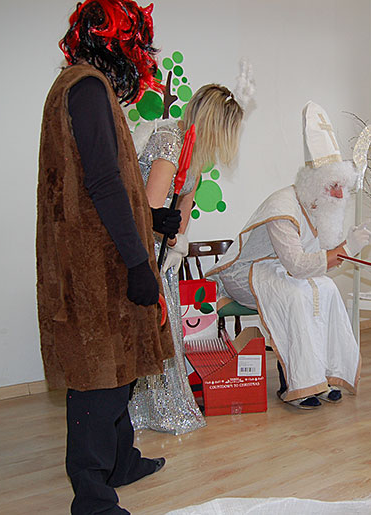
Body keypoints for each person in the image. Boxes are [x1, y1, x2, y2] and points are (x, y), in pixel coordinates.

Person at [36, 1, 175, 512]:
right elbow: (102, 182)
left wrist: (152, 219)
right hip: (98, 263)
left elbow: (102, 181)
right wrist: (138, 263)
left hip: (98, 254)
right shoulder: (88, 88)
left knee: (119, 368)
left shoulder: (79, 85)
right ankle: (93, 497)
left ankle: (120, 461)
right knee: (99, 377)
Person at [207, 101, 371, 409]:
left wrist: (344, 247)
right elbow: (297, 265)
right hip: (247, 274)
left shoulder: (318, 206)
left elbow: (313, 262)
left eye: (343, 187)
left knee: (327, 289)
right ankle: (296, 383)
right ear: (316, 183)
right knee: (296, 296)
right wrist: (346, 250)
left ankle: (323, 376)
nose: (340, 195)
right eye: (334, 186)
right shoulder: (282, 207)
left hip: (280, 271)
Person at [129, 65, 254, 434]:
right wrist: (166, 241)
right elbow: (150, 210)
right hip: (142, 252)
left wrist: (177, 243)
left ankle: (162, 407)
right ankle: (142, 411)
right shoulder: (170, 142)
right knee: (150, 331)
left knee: (167, 332)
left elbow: (182, 209)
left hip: (163, 254)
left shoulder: (194, 154)